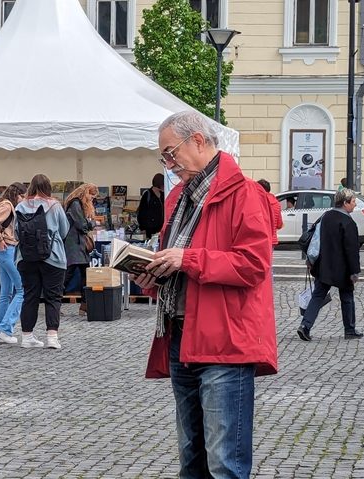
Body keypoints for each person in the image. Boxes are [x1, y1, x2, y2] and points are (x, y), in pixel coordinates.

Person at [131, 111, 277, 478]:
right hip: (182, 336)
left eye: (169, 153)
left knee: (224, 462)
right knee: (191, 459)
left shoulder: (244, 193)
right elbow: (181, 264)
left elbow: (252, 265)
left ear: (197, 140)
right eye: (163, 156)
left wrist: (187, 259)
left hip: (225, 343)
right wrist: (151, 273)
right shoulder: (179, 198)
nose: (167, 163)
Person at [297, 189, 364, 341]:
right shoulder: (348, 222)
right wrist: (354, 271)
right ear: (345, 203)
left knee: (318, 296)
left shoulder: (326, 216)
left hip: (324, 265)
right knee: (347, 297)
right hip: (343, 267)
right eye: (353, 202)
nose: (355, 205)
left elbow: (315, 239)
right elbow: (352, 249)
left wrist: (311, 259)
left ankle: (305, 325)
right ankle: (350, 329)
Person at [16, 174, 69, 349]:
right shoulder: (54, 205)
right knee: (53, 296)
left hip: (25, 258)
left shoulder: (21, 206)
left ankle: (27, 336)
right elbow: (64, 230)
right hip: (52, 257)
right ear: (48, 187)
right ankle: (52, 337)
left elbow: (16, 233)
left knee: (29, 296)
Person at [0, 182, 27, 344]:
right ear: (17, 195)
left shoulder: (1, 204)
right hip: (8, 249)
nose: (23, 200)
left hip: (1, 252)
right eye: (22, 196)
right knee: (22, 289)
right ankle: (5, 328)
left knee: (6, 293)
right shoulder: (8, 206)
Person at [63, 183, 98, 313]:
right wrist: (93, 223)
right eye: (92, 196)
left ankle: (85, 304)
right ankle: (55, 303)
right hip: (74, 245)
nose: (92, 199)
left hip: (77, 245)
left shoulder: (75, 204)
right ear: (86, 193)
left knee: (84, 274)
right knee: (69, 274)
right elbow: (82, 225)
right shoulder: (76, 204)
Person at [137, 173, 165, 238]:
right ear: (159, 184)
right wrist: (142, 228)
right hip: (150, 228)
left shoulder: (163, 194)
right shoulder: (147, 194)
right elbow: (141, 212)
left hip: (161, 227)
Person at [258, 179, 283, 248]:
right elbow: (279, 224)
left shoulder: (257, 201)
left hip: (259, 238)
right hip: (272, 239)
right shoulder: (277, 203)